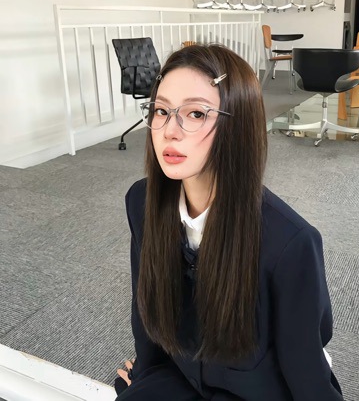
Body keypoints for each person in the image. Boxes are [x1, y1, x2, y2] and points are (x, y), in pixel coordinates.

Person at [115, 44, 343, 400]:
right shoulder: (141, 201)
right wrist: (144, 376)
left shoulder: (289, 242)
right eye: (161, 110)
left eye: (195, 114)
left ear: (236, 125)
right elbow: (145, 311)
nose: (169, 131)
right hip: (183, 374)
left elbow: (306, 370)